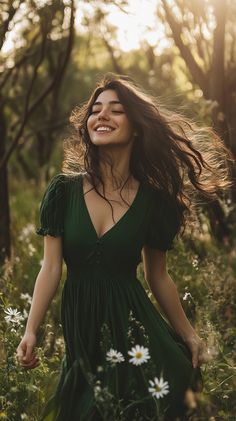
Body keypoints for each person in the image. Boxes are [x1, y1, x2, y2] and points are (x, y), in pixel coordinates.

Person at [16, 73, 231, 420]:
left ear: (136, 127)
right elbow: (51, 267)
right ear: (87, 125)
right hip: (84, 333)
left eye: (116, 110)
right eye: (96, 109)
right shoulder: (62, 192)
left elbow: (157, 276)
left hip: (134, 327)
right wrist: (30, 330)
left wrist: (189, 334)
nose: (102, 115)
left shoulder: (154, 202)